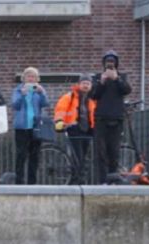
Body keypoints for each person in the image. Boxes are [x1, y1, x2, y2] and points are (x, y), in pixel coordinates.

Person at [89, 50, 131, 184]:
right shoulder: (97, 77)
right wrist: (101, 82)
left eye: (112, 62)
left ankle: (113, 180)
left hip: (116, 118)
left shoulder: (121, 77)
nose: (110, 64)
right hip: (101, 119)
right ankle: (102, 181)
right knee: (101, 153)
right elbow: (93, 95)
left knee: (114, 152)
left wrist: (116, 79)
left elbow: (127, 90)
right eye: (108, 62)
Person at [9, 67, 49, 185]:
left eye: (33, 77)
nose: (31, 79)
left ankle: (32, 182)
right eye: (28, 76)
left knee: (34, 155)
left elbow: (45, 103)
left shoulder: (39, 90)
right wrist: (22, 95)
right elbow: (15, 106)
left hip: (35, 127)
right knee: (21, 155)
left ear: (37, 79)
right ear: (24, 78)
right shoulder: (18, 90)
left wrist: (42, 93)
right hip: (22, 127)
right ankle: (19, 182)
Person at [54, 76, 95, 183]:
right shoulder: (70, 96)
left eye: (88, 83)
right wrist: (59, 121)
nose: (86, 85)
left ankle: (78, 177)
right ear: (79, 84)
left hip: (88, 130)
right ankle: (77, 179)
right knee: (78, 155)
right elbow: (61, 109)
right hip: (74, 128)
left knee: (84, 155)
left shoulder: (93, 99)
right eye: (84, 83)